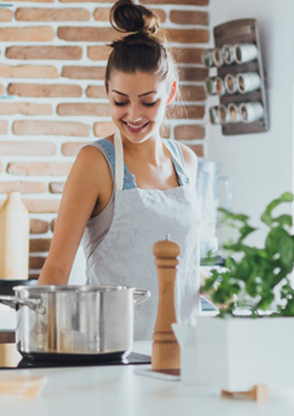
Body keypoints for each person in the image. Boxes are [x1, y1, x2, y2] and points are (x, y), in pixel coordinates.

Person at [37, 0, 201, 340]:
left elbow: (188, 270)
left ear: (170, 92)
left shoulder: (186, 162)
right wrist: (40, 346)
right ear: (107, 93)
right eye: (120, 101)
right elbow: (56, 267)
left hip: (185, 348)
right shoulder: (96, 163)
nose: (134, 115)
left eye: (148, 100)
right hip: (113, 351)